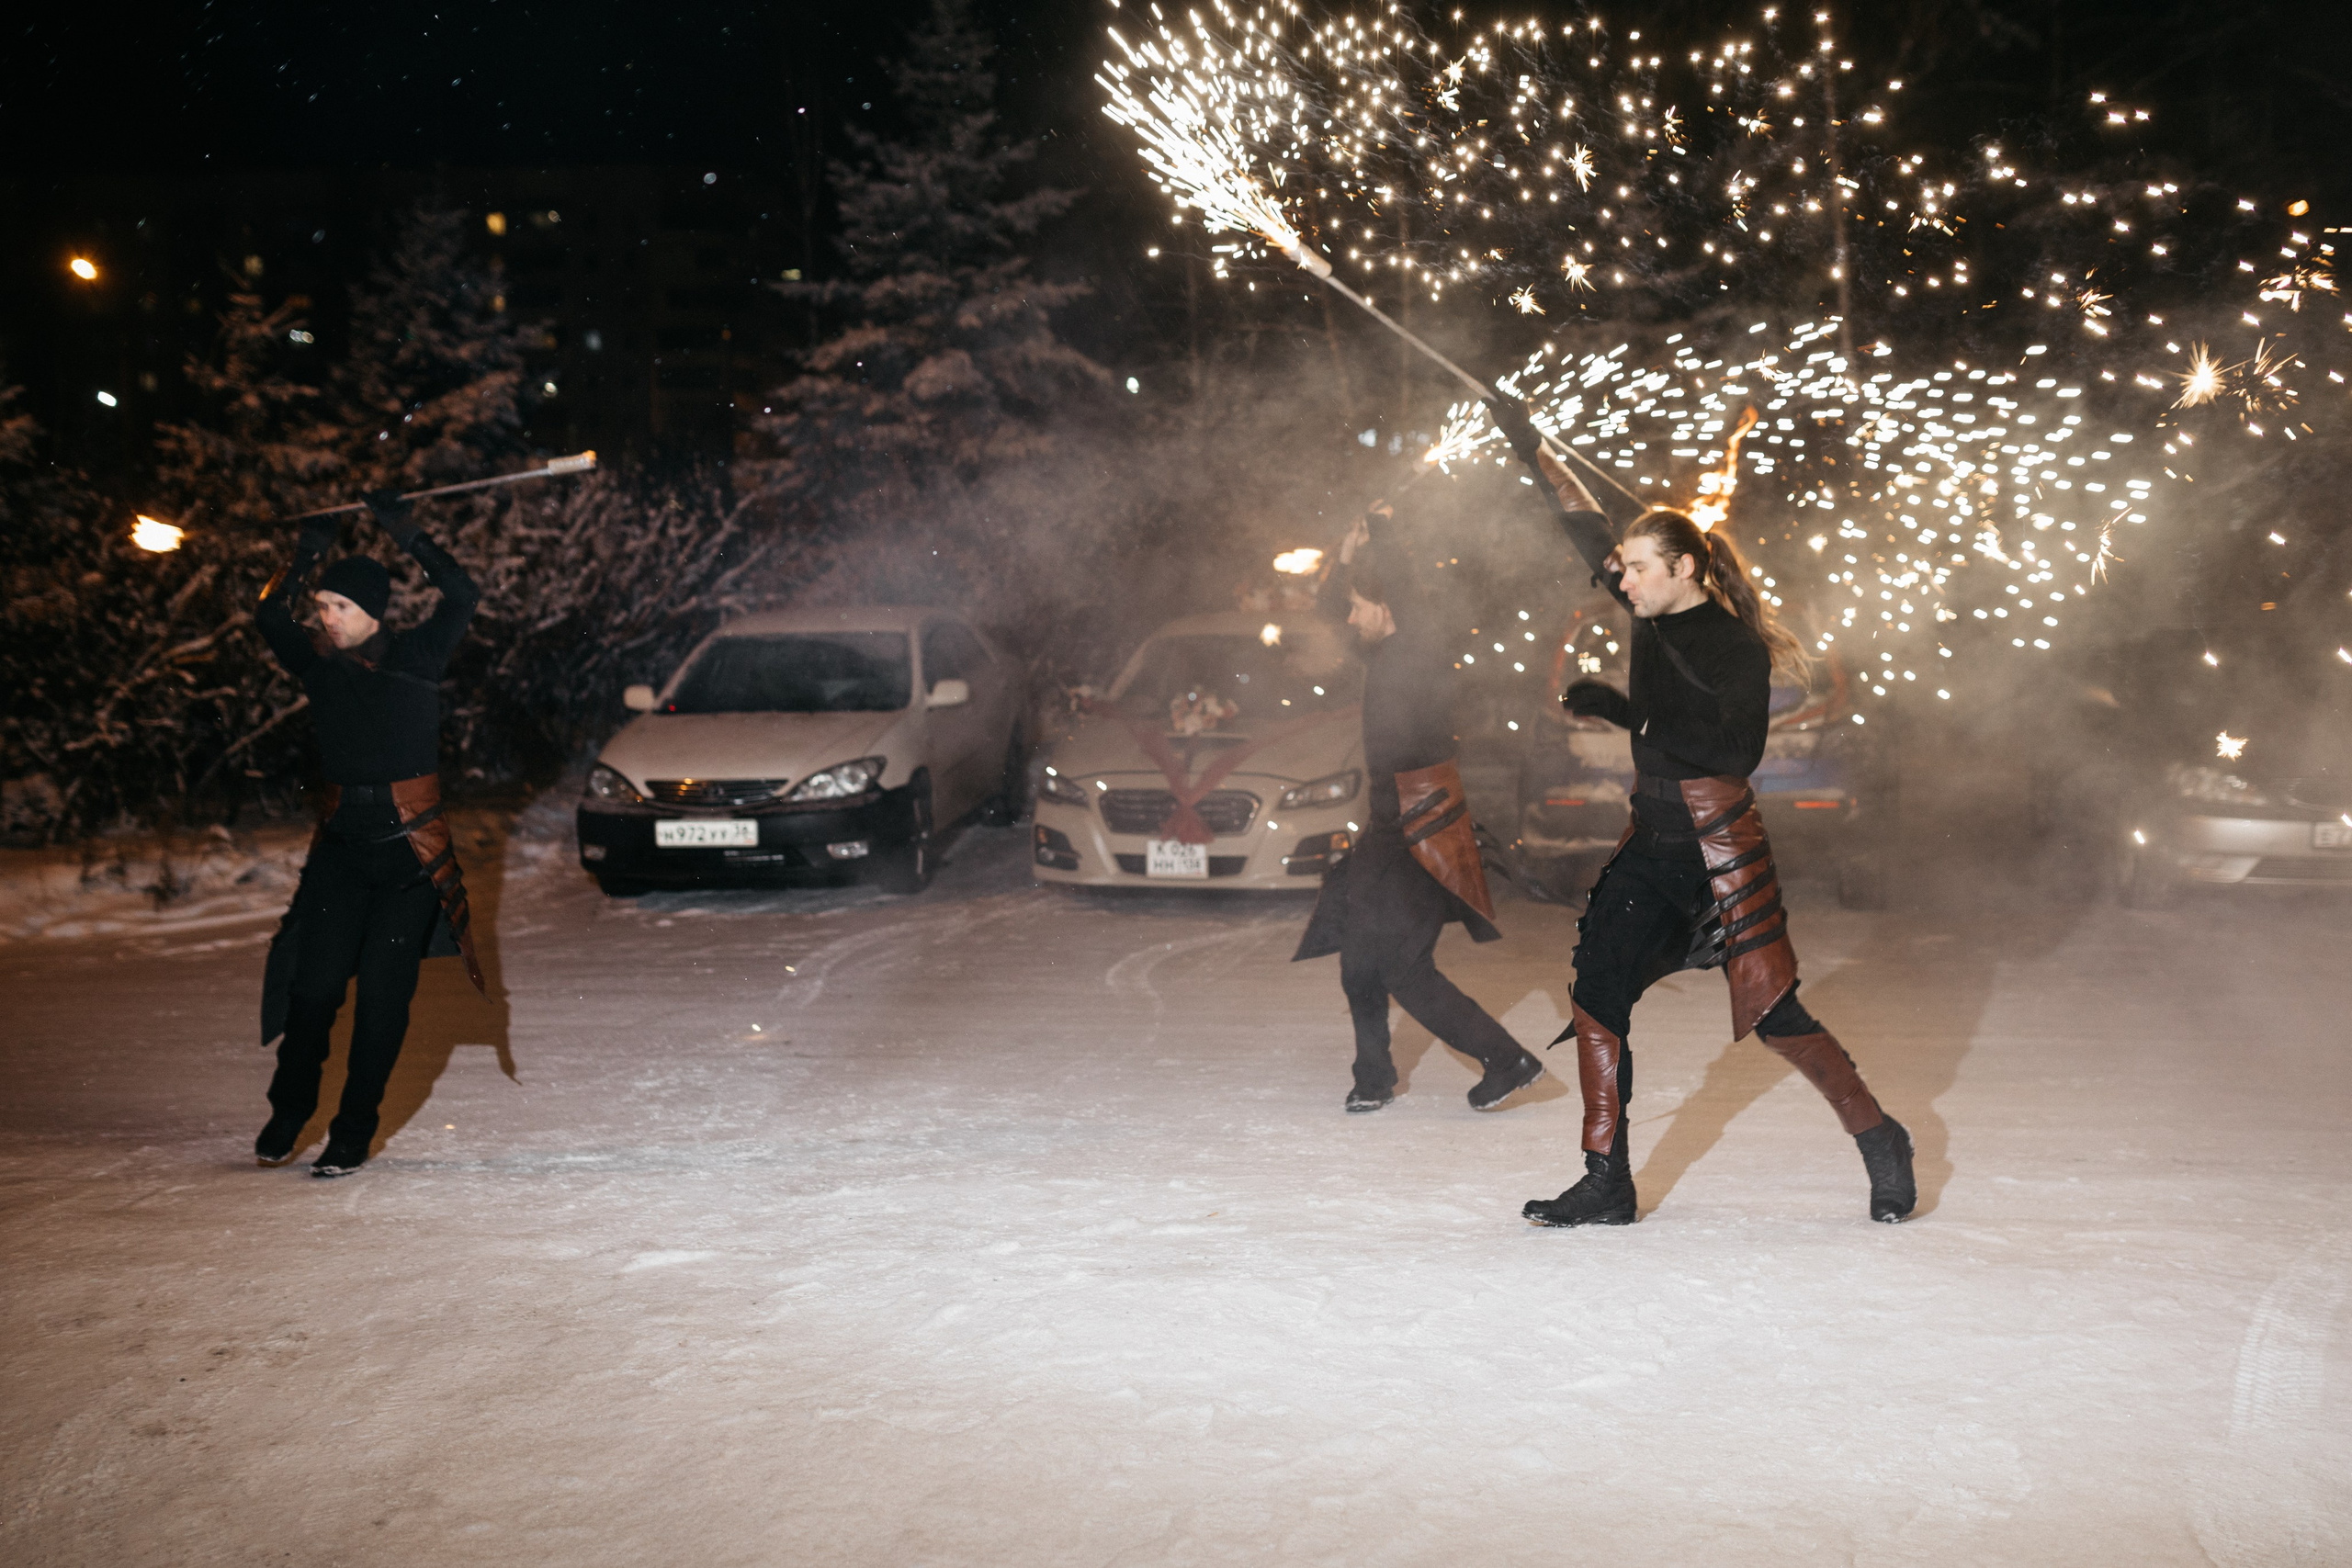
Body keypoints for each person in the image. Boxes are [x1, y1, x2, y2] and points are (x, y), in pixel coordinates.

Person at [1487, 403, 1917, 1225]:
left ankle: (1880, 1136)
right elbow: (1583, 526)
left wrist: (1629, 715)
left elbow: (1732, 752)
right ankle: (1606, 1179)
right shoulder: (1648, 612)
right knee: (1597, 989)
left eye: (1641, 568)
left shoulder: (1732, 648)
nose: (1626, 579)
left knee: (1775, 1015)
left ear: (1683, 567)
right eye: (1626, 568)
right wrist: (1529, 443)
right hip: (1651, 845)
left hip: (1718, 853)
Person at [251, 494, 485, 1178]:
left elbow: (464, 591)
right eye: (321, 606)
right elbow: (268, 613)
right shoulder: (318, 663)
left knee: (382, 1005)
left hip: (410, 860)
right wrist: (306, 552)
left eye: (339, 607)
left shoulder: (419, 655)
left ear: (373, 612)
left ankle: (353, 1130)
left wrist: (405, 530)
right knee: (314, 991)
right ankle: (290, 1111)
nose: (325, 617)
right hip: (341, 859)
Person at [1293, 504, 1548, 1114]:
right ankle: (1374, 1076)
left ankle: (1506, 1058)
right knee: (1359, 958)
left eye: (1362, 605)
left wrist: (1383, 529)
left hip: (1421, 826)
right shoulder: (1380, 653)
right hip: (1388, 826)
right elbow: (1330, 612)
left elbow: (1403, 583)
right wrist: (1349, 555)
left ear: (1388, 608)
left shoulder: (1421, 648)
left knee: (1403, 966)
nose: (1352, 617)